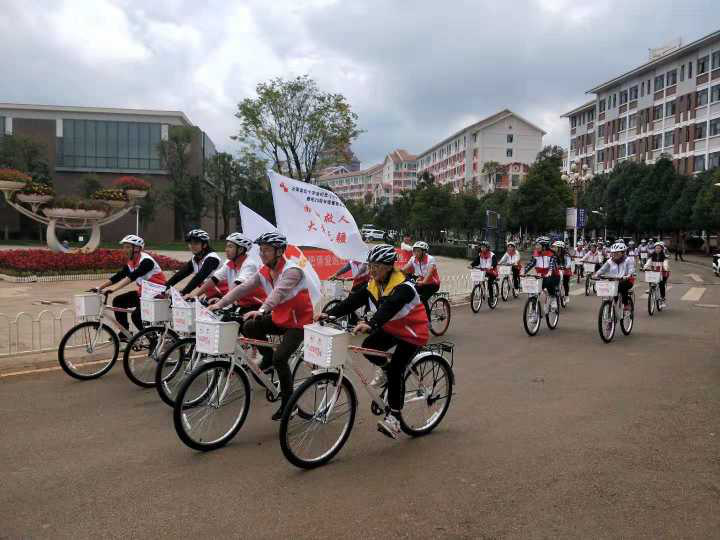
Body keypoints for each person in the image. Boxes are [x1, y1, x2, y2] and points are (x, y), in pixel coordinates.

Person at [320, 244, 429, 439]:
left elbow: (390, 307)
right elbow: (352, 301)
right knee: (368, 347)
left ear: (388, 266)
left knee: (396, 369)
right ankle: (386, 371)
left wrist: (371, 323)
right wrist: (329, 314)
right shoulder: (374, 284)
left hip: (412, 333)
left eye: (376, 266)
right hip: (393, 328)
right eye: (370, 265)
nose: (371, 270)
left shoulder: (404, 287)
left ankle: (395, 417)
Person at [210, 232, 313, 421]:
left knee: (281, 358)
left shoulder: (292, 271)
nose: (262, 254)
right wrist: (220, 304)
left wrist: (262, 310)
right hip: (279, 318)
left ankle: (288, 404)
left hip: (298, 322)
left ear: (279, 251)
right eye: (261, 250)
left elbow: (279, 293)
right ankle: (268, 358)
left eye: (267, 250)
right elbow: (244, 287)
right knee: (250, 327)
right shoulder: (265, 270)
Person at [93, 235, 166, 336]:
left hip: (157, 295)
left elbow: (132, 277)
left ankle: (152, 338)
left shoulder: (147, 261)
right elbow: (120, 275)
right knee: (118, 301)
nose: (124, 250)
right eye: (124, 247)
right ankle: (125, 333)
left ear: (136, 248)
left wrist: (113, 289)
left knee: (136, 316)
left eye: (127, 247)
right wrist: (100, 287)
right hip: (144, 294)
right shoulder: (131, 262)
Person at [187, 233, 266, 314]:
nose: (226, 249)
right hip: (240, 302)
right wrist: (196, 295)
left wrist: (221, 302)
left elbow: (238, 285)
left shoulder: (249, 264)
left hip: (256, 304)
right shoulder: (229, 262)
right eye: (226, 246)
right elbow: (214, 279)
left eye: (230, 247)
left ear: (240, 249)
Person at [164, 229, 221, 298]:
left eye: (196, 243)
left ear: (204, 245)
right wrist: (164, 287)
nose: (192, 246)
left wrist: (183, 293)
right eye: (190, 243)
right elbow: (180, 274)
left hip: (224, 294)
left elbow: (199, 277)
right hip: (214, 295)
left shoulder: (212, 258)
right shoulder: (196, 259)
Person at [594, 242, 635, 316]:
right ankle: (612, 308)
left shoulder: (628, 260)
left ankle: (626, 306)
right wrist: (597, 274)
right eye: (613, 253)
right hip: (614, 280)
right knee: (610, 289)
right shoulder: (610, 261)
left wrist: (628, 275)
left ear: (623, 253)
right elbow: (603, 269)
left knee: (622, 287)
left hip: (627, 280)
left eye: (617, 253)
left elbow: (631, 269)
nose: (614, 254)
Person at [401, 241, 440, 317]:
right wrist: (397, 272)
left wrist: (423, 282)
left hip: (432, 284)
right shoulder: (413, 258)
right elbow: (404, 269)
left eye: (418, 251)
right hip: (421, 282)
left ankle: (428, 320)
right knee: (409, 295)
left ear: (424, 252)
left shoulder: (430, 259)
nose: (415, 253)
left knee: (422, 299)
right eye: (414, 251)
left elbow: (430, 273)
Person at [522, 237, 560, 304]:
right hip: (540, 276)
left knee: (549, 283)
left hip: (553, 275)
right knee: (534, 290)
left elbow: (551, 266)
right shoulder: (535, 254)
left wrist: (549, 273)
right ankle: (534, 305)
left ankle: (553, 298)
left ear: (544, 247)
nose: (536, 247)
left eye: (538, 245)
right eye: (536, 245)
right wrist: (523, 271)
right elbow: (531, 264)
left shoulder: (551, 255)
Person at [643, 241, 670, 307]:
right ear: (654, 249)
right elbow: (648, 262)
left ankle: (663, 299)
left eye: (659, 248)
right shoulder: (651, 256)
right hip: (654, 272)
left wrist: (665, 268)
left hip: (662, 273)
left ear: (662, 249)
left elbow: (665, 264)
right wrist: (645, 267)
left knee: (661, 285)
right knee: (650, 278)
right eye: (656, 248)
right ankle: (650, 288)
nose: (657, 249)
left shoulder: (664, 257)